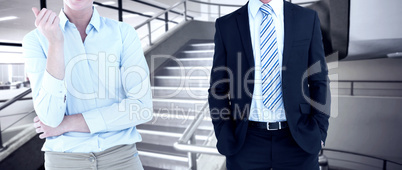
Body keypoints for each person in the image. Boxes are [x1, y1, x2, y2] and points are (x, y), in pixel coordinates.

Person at [22, 0, 152, 169]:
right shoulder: (35, 40)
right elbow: (50, 118)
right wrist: (55, 44)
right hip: (64, 161)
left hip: (122, 159)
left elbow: (141, 108)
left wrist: (67, 124)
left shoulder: (123, 33)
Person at [208, 0, 331, 169]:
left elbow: (319, 80)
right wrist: (223, 131)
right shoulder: (226, 25)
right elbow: (218, 88)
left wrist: (320, 131)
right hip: (245, 142)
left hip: (298, 140)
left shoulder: (307, 18)